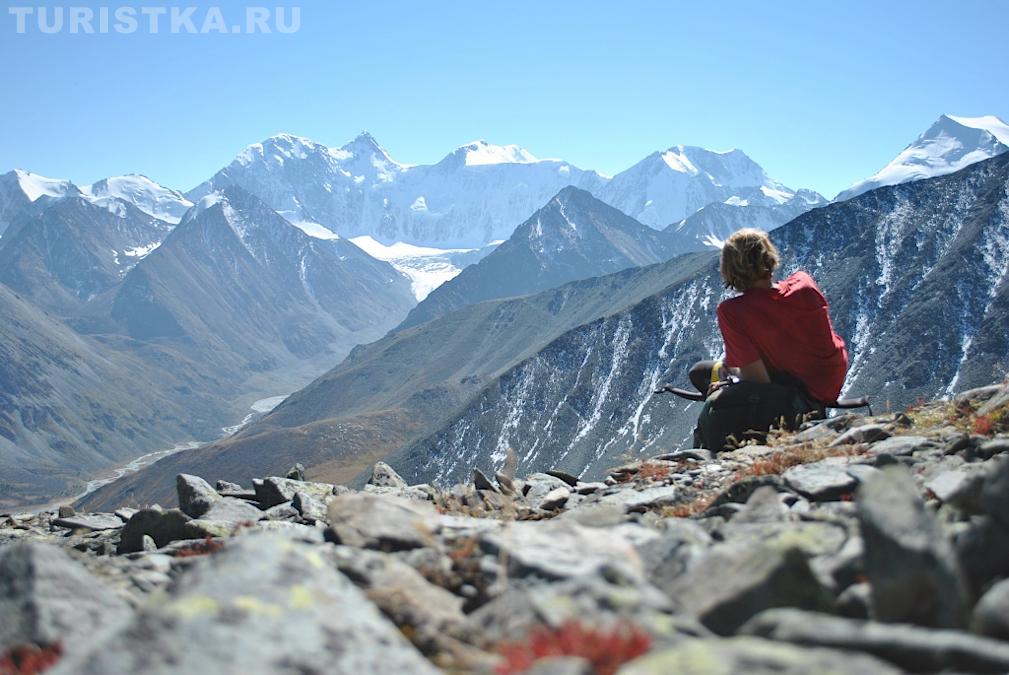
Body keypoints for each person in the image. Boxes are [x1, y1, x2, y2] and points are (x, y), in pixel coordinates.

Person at [692, 228, 849, 451]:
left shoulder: (733, 311)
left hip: (799, 396)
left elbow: (758, 381)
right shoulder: (804, 283)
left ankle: (709, 452)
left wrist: (729, 376)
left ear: (729, 269)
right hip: (830, 379)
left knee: (704, 378)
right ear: (769, 257)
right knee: (705, 370)